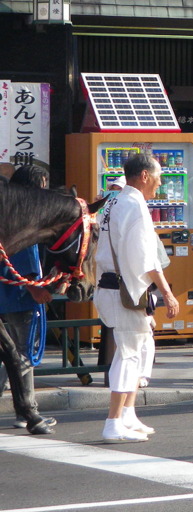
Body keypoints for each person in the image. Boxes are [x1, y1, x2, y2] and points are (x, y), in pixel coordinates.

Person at [93, 152, 179, 442]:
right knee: (129, 354)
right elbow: (146, 260)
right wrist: (167, 293)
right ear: (144, 176)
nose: (160, 183)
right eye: (158, 177)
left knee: (137, 348)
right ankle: (113, 420)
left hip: (110, 286)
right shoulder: (134, 205)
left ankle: (127, 413)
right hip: (125, 290)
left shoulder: (113, 201)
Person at [0, 165, 57, 434]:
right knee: (23, 354)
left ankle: (26, 409)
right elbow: (26, 262)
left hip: (6, 295)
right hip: (20, 297)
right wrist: (36, 290)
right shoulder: (26, 219)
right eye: (42, 186)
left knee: (11, 353)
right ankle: (27, 410)